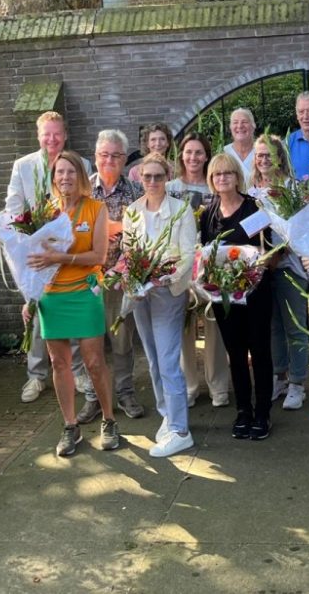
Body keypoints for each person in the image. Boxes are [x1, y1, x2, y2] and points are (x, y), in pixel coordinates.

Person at [25, 151, 121, 457]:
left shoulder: (96, 208)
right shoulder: (44, 212)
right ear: (53, 177)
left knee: (94, 362)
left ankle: (108, 420)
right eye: (59, 172)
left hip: (84, 292)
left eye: (70, 172)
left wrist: (60, 258)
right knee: (59, 363)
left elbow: (99, 257)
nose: (64, 177)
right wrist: (29, 298)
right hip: (51, 297)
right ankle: (70, 426)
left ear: (80, 176)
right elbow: (31, 261)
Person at [123, 153, 199, 458]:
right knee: (153, 360)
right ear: (140, 179)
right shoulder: (132, 211)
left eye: (158, 176)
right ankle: (167, 414)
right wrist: (133, 281)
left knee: (168, 361)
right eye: (147, 177)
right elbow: (128, 254)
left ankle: (181, 430)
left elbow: (188, 256)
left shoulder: (181, 211)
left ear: (167, 177)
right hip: (141, 295)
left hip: (168, 293)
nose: (152, 182)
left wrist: (165, 277)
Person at [6, 111, 84, 405]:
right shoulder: (23, 166)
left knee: (71, 305)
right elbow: (13, 204)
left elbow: (84, 200)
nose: (52, 139)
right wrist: (21, 231)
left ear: (65, 135)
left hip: (68, 248)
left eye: (57, 134)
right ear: (39, 136)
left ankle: (77, 371)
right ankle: (36, 374)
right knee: (38, 309)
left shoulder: (80, 164)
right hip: (36, 249)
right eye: (46, 134)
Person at [199, 152, 275, 440]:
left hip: (255, 293)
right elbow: (205, 253)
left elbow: (269, 250)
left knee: (260, 351)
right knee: (236, 354)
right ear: (211, 180)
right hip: (225, 298)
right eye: (217, 175)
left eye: (227, 173)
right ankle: (244, 410)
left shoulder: (254, 207)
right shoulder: (208, 214)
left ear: (236, 176)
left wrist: (253, 266)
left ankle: (263, 412)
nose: (222, 179)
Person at [79, 129, 146, 423]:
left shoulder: (136, 193)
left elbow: (143, 233)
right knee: (89, 341)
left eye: (116, 155)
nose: (109, 160)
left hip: (120, 278)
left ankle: (125, 391)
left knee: (121, 341)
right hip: (86, 279)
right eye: (104, 154)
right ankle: (93, 398)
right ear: (95, 158)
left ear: (124, 159)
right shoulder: (81, 192)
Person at [167, 132, 231, 408]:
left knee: (214, 324)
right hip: (179, 266)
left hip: (210, 266)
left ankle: (219, 386)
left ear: (206, 156)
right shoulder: (170, 187)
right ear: (181, 155)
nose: (193, 157)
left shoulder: (215, 185)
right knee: (184, 329)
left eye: (198, 152)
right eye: (188, 152)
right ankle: (189, 386)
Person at [249, 133, 309, 411]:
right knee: (272, 326)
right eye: (259, 155)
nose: (263, 160)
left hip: (289, 267)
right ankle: (280, 376)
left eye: (268, 155)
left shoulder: (291, 188)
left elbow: (301, 229)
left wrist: (280, 251)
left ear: (279, 157)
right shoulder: (250, 191)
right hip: (261, 270)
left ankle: (298, 382)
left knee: (295, 326)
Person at [223, 107, 257, 182]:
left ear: (253, 126)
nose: (240, 126)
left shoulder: (264, 151)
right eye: (235, 122)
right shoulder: (223, 153)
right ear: (230, 127)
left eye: (244, 122)